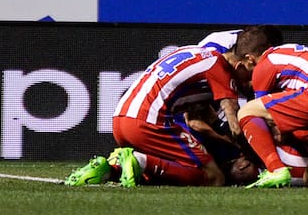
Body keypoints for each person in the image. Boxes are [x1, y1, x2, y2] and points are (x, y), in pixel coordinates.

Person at [73, 27, 271, 187]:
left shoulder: (192, 52)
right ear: (244, 63)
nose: (255, 83)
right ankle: (140, 161)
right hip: (148, 123)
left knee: (176, 168)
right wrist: (262, 159)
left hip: (120, 119)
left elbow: (202, 115)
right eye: (256, 74)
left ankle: (110, 168)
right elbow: (236, 126)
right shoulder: (219, 68)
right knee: (214, 177)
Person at [235, 42, 308, 188]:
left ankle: (275, 169)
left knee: (247, 110)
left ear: (250, 58)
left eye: (243, 65)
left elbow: (261, 113)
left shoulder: (265, 63)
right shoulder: (292, 53)